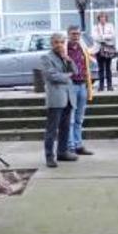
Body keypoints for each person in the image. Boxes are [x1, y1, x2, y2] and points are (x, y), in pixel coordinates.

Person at [40, 33, 79, 167]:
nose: (59, 45)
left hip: (68, 97)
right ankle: (49, 156)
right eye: (56, 42)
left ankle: (62, 152)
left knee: (65, 127)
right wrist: (67, 76)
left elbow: (76, 71)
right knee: (52, 129)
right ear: (52, 43)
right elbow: (52, 76)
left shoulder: (64, 56)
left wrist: (68, 60)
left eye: (62, 42)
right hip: (56, 98)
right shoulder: (46, 57)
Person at [66, 25, 94, 156]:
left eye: (77, 34)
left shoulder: (82, 48)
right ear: (68, 35)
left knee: (79, 118)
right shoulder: (65, 49)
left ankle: (78, 144)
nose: (75, 36)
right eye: (73, 34)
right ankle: (70, 145)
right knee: (70, 118)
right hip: (71, 85)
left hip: (82, 85)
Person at [91, 12, 116, 91]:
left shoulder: (110, 25)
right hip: (98, 49)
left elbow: (113, 36)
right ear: (98, 18)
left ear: (106, 18)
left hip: (108, 49)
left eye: (104, 17)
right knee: (100, 68)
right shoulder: (95, 27)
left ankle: (109, 86)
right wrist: (105, 38)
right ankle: (101, 86)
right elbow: (95, 37)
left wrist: (103, 36)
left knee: (108, 68)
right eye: (101, 17)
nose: (102, 19)